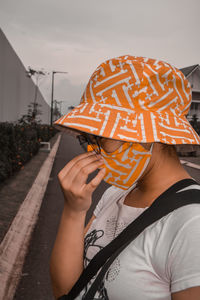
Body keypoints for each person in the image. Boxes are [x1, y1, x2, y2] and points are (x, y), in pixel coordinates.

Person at [50, 55, 200, 300]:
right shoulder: (115, 194)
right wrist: (73, 211)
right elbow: (65, 291)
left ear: (149, 134)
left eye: (101, 138)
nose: (91, 149)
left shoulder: (192, 224)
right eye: (88, 139)